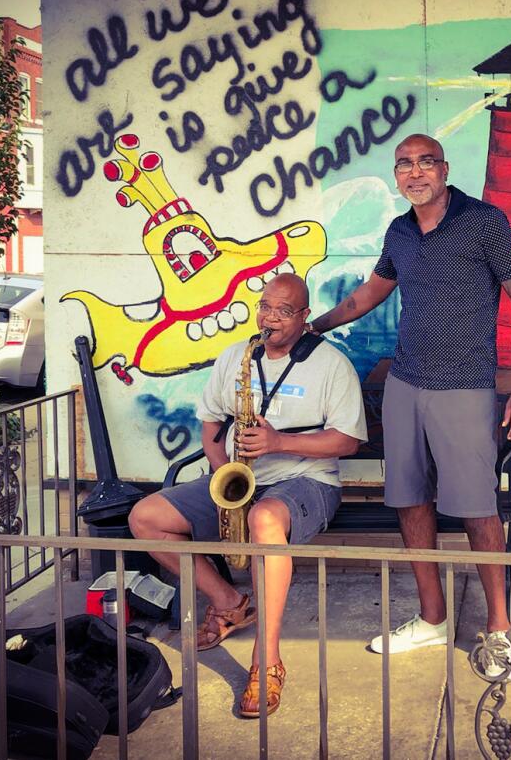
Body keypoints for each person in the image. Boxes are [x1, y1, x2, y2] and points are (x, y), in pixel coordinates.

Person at [310, 133, 511, 681]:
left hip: (464, 387)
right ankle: (433, 617)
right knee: (410, 501)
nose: (415, 173)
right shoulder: (399, 232)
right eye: (405, 165)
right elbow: (368, 294)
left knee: (477, 509)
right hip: (405, 384)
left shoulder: (484, 221)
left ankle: (501, 630)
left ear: (444, 168)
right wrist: (311, 328)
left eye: (425, 163)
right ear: (397, 175)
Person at [129, 273, 367, 717]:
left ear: (304, 317)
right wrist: (227, 477)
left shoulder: (330, 364)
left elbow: (347, 441)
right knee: (146, 517)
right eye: (265, 307)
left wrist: (280, 443)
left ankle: (267, 661)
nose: (270, 318)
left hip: (308, 479)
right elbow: (212, 426)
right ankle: (228, 603)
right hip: (245, 479)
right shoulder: (237, 357)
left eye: (283, 311)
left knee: (265, 520)